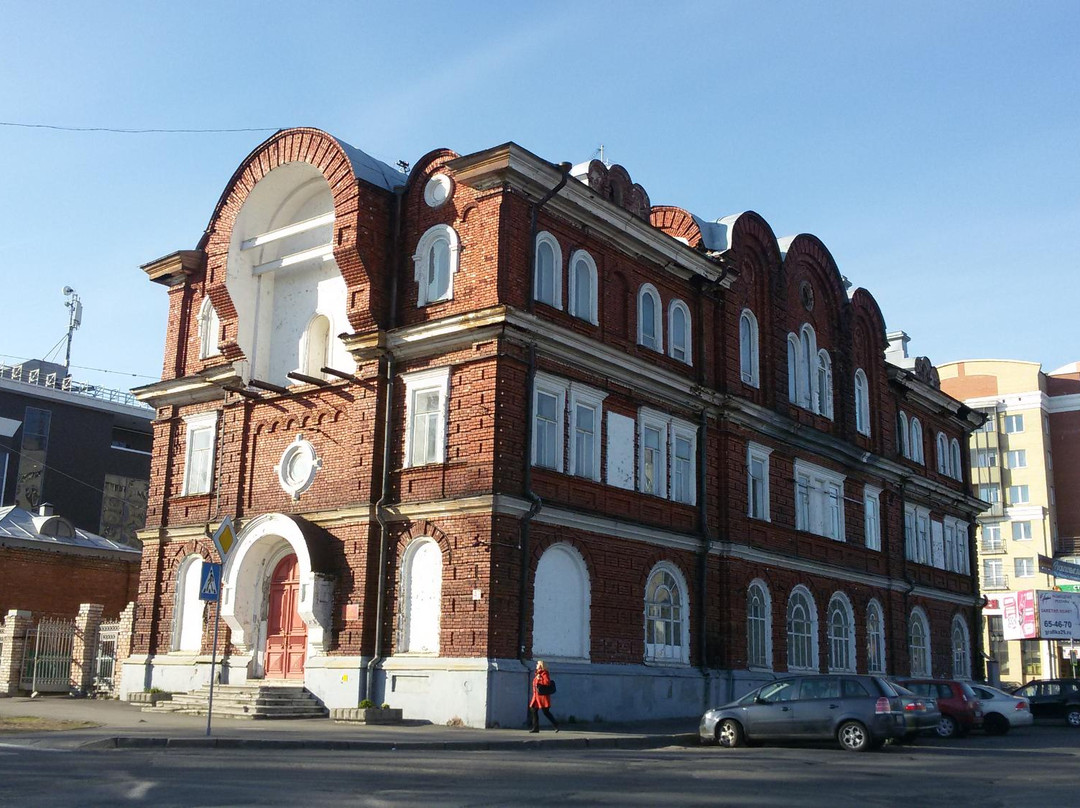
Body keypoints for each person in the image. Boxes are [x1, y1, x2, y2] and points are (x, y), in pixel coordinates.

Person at [528, 659, 559, 733]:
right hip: (536, 697)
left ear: (541, 666)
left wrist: (540, 678)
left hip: (542, 697)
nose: (536, 665)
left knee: (546, 712)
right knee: (533, 710)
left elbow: (547, 683)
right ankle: (535, 728)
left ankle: (556, 725)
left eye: (537, 664)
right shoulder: (537, 674)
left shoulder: (544, 673)